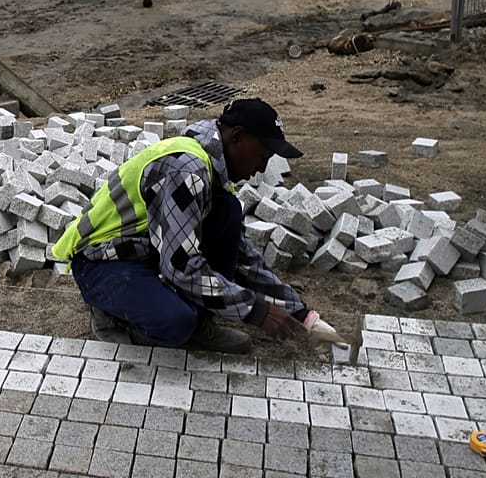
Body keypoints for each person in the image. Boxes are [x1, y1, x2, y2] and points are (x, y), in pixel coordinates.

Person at [50, 98, 313, 355]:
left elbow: (244, 259)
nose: (261, 168)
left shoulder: (212, 170)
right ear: (237, 136)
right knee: (175, 321)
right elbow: (180, 266)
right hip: (102, 261)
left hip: (145, 250)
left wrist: (300, 311)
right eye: (262, 156)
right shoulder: (187, 170)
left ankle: (199, 322)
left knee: (228, 213)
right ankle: (111, 314)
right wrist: (255, 310)